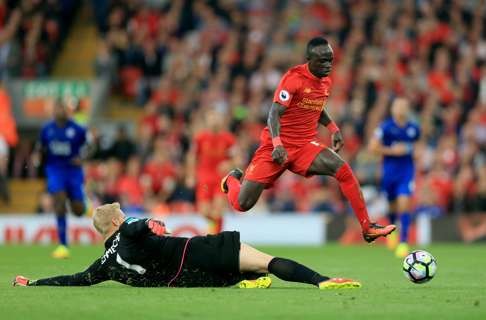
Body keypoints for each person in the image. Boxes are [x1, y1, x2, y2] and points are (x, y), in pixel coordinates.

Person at [220, 36, 395, 242]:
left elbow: (315, 107)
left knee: (343, 170)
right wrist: (277, 144)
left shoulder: (325, 82)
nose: (328, 65)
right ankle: (231, 179)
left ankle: (367, 227)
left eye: (330, 59)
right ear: (309, 60)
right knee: (243, 204)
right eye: (322, 61)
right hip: (276, 146)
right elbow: (274, 113)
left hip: (304, 146)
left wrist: (333, 128)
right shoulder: (293, 79)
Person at [13, 202, 361, 289]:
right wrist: (151, 223)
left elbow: (74, 280)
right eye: (122, 213)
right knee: (265, 261)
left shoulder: (103, 265)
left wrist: (35, 283)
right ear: (116, 221)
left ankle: (248, 283)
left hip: (191, 278)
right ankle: (323, 281)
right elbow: (138, 227)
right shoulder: (129, 229)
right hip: (197, 252)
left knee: (245, 274)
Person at [34, 99, 88, 259]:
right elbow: (40, 147)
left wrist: (83, 157)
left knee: (78, 210)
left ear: (68, 110)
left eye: (63, 108)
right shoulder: (47, 129)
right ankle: (63, 245)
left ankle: (83, 204)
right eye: (58, 108)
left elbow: (90, 146)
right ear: (53, 110)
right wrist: (37, 156)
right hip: (55, 169)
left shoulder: (77, 129)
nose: (61, 111)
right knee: (59, 200)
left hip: (73, 171)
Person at [368, 98, 420, 257]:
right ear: (392, 109)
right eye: (398, 106)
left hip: (406, 171)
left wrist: (416, 152)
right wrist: (392, 151)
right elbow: (372, 148)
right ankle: (393, 234)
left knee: (404, 203)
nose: (401, 109)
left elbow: (419, 145)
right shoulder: (385, 127)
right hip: (389, 172)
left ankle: (403, 242)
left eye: (404, 106)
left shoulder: (414, 128)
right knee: (392, 205)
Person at [186, 109, 238, 234]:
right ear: (207, 121)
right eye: (211, 117)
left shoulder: (228, 139)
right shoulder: (200, 138)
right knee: (203, 211)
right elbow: (192, 156)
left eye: (216, 117)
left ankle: (215, 237)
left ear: (221, 120)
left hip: (221, 180)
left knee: (218, 210)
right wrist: (190, 175)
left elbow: (237, 158)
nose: (214, 120)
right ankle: (217, 232)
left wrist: (229, 163)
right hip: (204, 179)